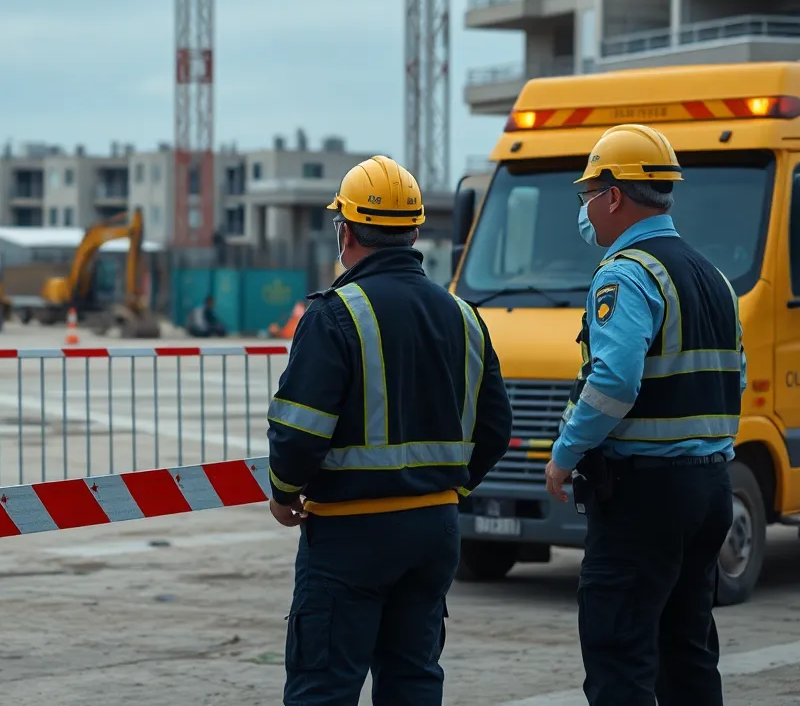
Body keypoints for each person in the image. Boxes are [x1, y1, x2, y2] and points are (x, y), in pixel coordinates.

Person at [267, 155, 513, 706]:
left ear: (345, 230)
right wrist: (446, 487)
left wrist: (284, 493)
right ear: (415, 232)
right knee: (413, 679)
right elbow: (496, 427)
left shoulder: (333, 316)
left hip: (352, 535)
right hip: (435, 530)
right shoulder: (464, 316)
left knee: (323, 685)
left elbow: (299, 433)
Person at [544, 124, 744, 706]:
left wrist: (565, 455)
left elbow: (612, 381)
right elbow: (737, 376)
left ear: (613, 196)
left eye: (587, 194)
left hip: (645, 498)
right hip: (710, 488)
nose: (584, 208)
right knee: (688, 653)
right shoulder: (715, 278)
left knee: (619, 655)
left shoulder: (625, 272)